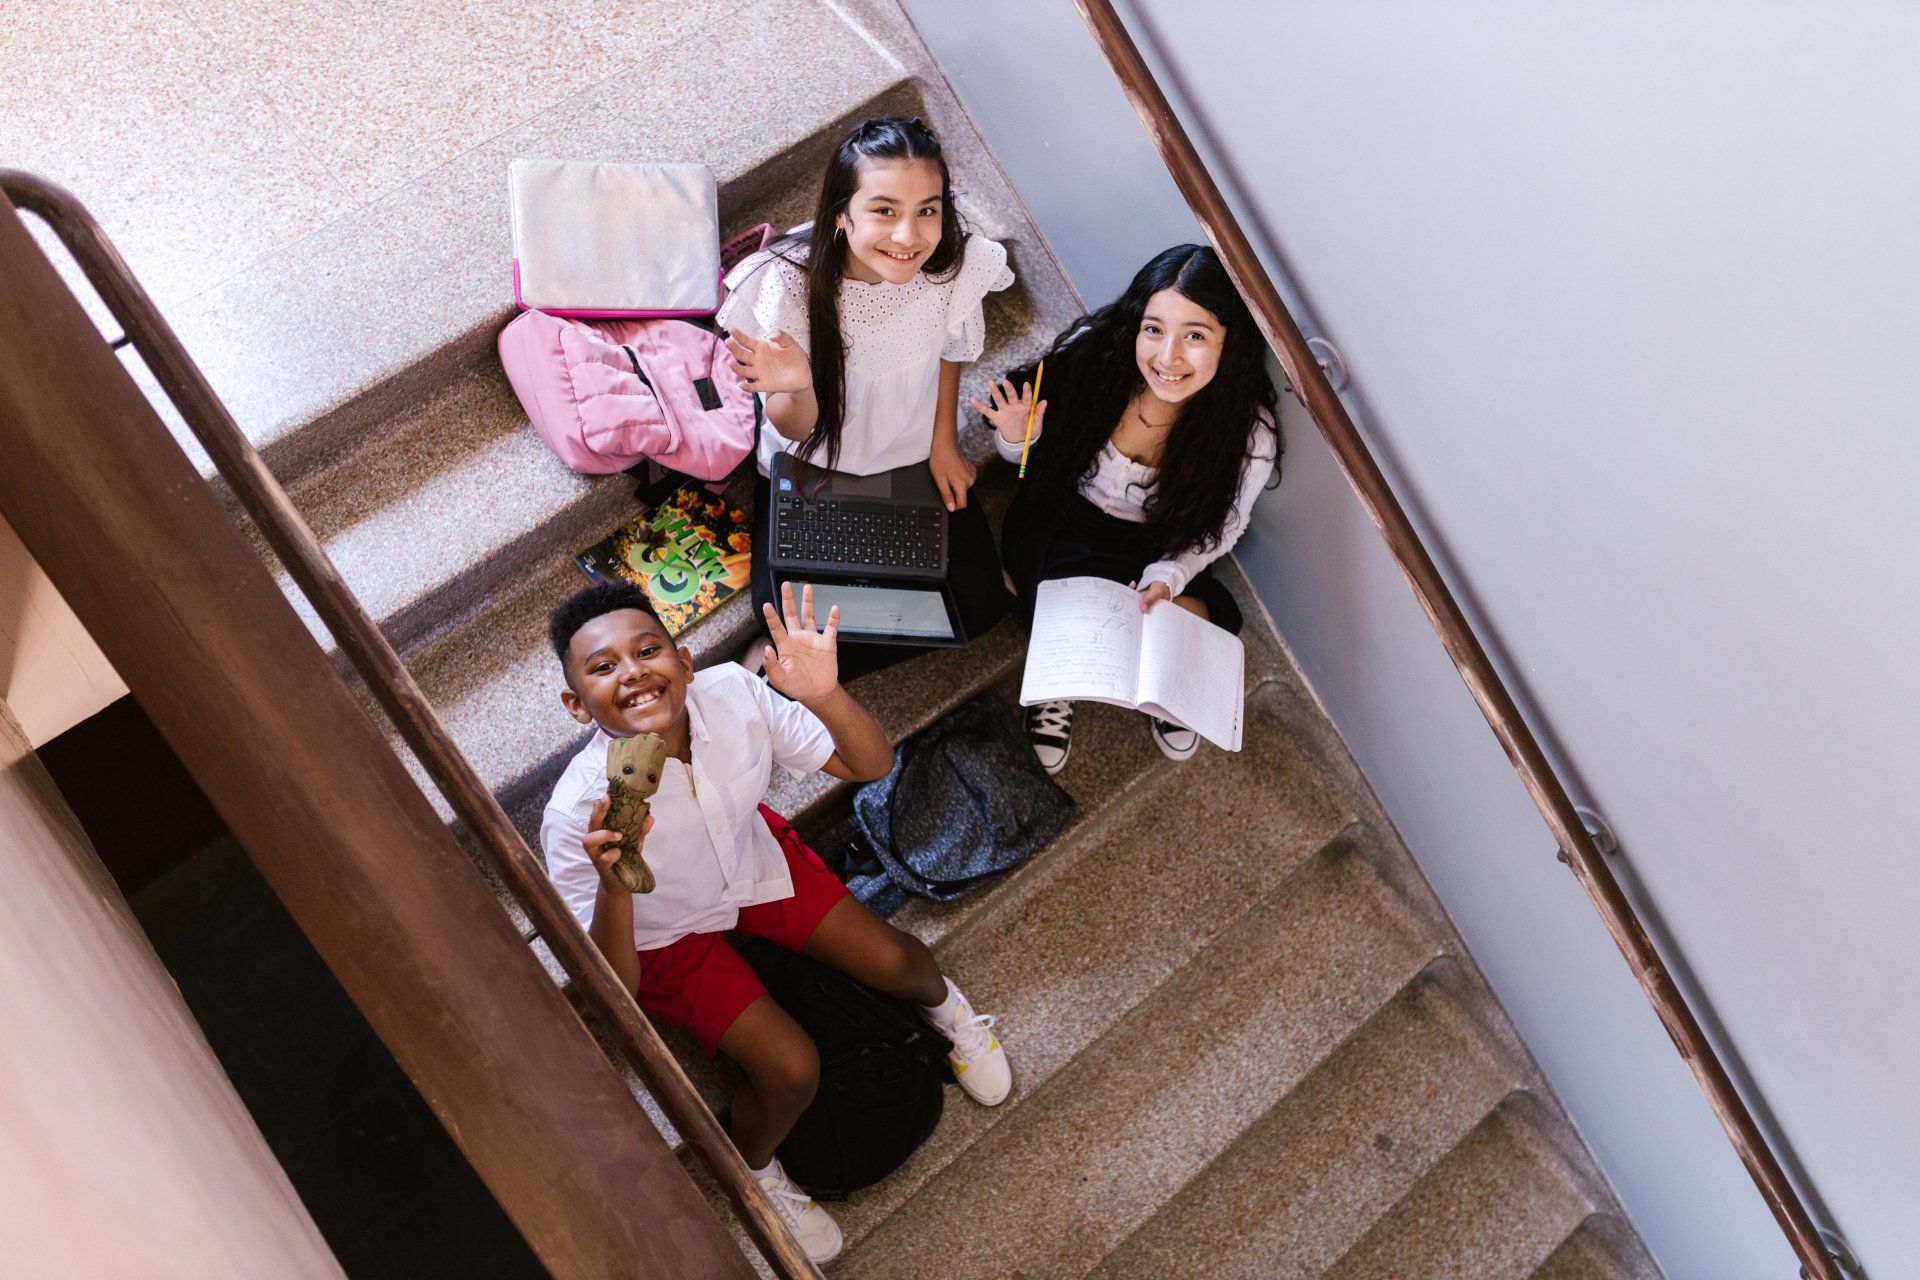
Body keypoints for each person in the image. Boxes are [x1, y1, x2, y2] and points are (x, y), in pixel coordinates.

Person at [539, 581, 1012, 1264]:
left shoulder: (732, 692)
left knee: (898, 964)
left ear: (685, 661)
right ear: (575, 703)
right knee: (792, 1070)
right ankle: (757, 1171)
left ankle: (951, 1016)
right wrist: (616, 888)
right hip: (661, 933)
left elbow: (868, 764)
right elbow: (609, 983)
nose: (634, 671)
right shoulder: (573, 812)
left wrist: (823, 695)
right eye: (603, 666)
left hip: (750, 859)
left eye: (648, 650)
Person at [719, 114, 1013, 680]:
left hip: (908, 456)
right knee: (782, 613)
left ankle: (814, 663)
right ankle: (800, 667)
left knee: (982, 608)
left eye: (927, 210)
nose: (908, 237)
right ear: (839, 217)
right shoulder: (787, 286)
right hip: (813, 468)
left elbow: (951, 345)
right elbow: (797, 429)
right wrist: (798, 384)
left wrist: (943, 443)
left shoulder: (949, 261)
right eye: (884, 211)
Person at [974, 244, 1281, 771]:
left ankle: (1168, 687)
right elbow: (1028, 465)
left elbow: (1224, 529)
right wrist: (1016, 438)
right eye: (1154, 329)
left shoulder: (1248, 434)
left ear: (1230, 342)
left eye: (1196, 336)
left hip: (1150, 543)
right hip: (1061, 513)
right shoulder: (1095, 356)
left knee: (1194, 610)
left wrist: (1169, 575)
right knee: (1053, 582)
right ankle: (1059, 676)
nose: (1168, 357)